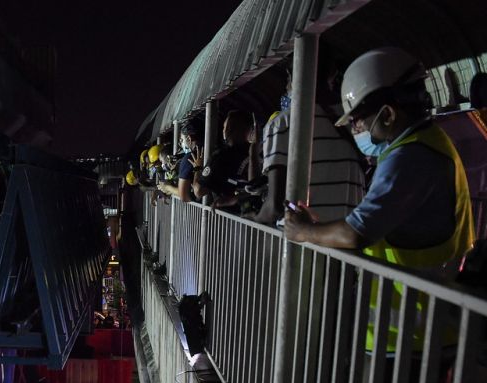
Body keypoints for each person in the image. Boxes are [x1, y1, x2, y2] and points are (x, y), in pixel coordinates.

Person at [284, 47, 474, 282]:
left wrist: (304, 231)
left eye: (357, 120)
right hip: (420, 302)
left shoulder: (409, 157)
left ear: (387, 115)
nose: (355, 130)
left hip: (411, 307)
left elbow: (356, 234)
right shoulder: (429, 141)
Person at [256, 61, 365, 226]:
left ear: (291, 76)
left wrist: (254, 219)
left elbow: (276, 206)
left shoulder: (282, 124)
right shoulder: (356, 120)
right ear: (333, 74)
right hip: (347, 239)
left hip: (303, 241)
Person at [194, 109, 254, 211]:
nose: (223, 130)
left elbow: (199, 191)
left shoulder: (221, 156)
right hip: (258, 219)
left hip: (227, 219)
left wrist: (197, 168)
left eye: (224, 127)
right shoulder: (258, 152)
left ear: (228, 130)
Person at [156, 120, 203, 203]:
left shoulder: (188, 157)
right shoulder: (205, 150)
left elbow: (184, 197)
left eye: (181, 140)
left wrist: (167, 187)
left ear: (189, 138)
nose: (180, 144)